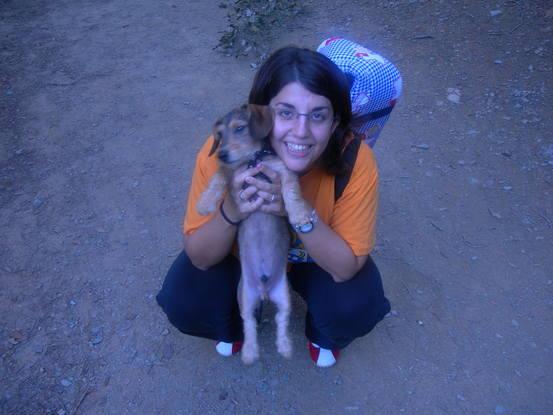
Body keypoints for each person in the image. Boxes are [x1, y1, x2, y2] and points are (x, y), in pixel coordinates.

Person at [156, 45, 391, 368]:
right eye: (286, 112)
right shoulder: (226, 150)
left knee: (356, 304)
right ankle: (230, 325)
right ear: (261, 116)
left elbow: (346, 267)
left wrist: (295, 209)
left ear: (336, 123)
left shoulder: (355, 161)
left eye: (318, 115)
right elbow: (199, 255)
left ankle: (324, 334)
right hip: (243, 251)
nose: (301, 131)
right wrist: (233, 211)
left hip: (313, 258)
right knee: (185, 299)